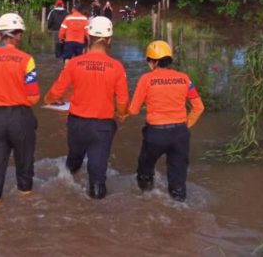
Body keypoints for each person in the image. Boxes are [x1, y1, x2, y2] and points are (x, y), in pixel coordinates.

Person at [44, 16, 129, 199]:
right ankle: (96, 218)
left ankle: (66, 189)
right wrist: (121, 115)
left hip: (76, 125)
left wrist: (49, 99)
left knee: (73, 162)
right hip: (102, 127)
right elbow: (122, 102)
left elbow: (56, 91)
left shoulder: (74, 63)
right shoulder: (117, 67)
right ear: (109, 40)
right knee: (97, 178)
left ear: (87, 37)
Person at [0, 13, 40, 212]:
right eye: (21, 34)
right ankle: (26, 204)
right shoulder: (27, 60)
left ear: (0, 34)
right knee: (25, 164)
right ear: (17, 35)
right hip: (21, 117)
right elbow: (34, 97)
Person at [128, 40, 204, 202]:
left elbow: (133, 110)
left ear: (154, 62)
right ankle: (178, 207)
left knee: (145, 170)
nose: (148, 63)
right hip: (180, 134)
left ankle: (146, 198)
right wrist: (185, 125)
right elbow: (199, 107)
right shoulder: (184, 79)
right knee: (178, 178)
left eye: (149, 60)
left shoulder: (146, 79)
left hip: (155, 134)